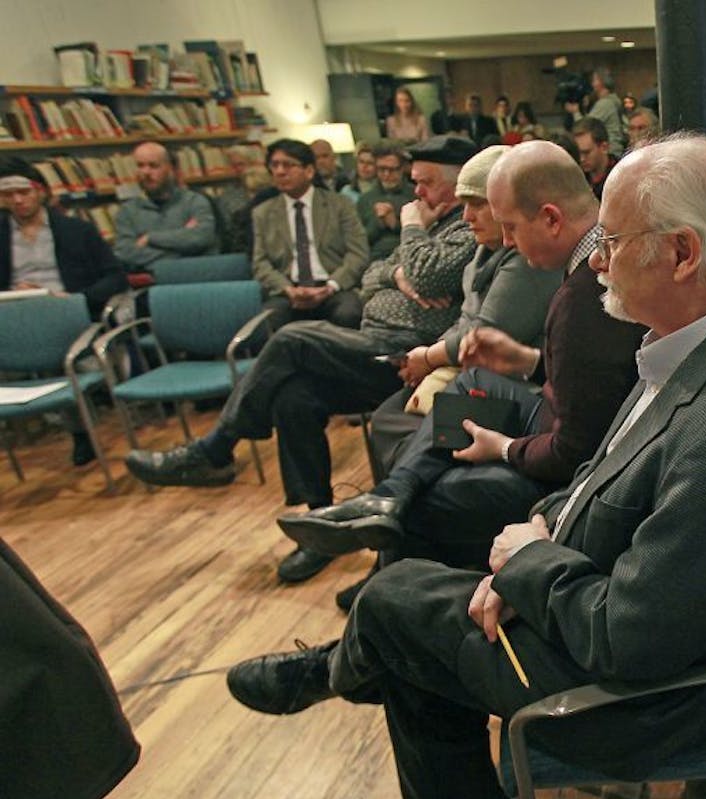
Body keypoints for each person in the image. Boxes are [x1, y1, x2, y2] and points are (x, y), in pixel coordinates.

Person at [221, 133, 706, 799]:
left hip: (650, 700)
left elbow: (631, 640)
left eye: (611, 239)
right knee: (408, 621)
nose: (598, 258)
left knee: (394, 607)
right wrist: (536, 540)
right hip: (619, 610)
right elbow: (602, 480)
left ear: (681, 253)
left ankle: (366, 705)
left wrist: (528, 565)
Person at [273, 140, 643, 575]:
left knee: (435, 495)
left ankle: (387, 585)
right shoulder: (596, 264)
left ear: (550, 218)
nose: (507, 241)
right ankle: (388, 499)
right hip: (561, 422)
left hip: (580, 472)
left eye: (511, 228)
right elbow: (600, 378)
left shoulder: (583, 297)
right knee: (471, 386)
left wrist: (504, 448)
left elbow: (574, 453)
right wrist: (526, 361)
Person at [124, 137, 479, 584]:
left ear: (457, 185)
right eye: (415, 185)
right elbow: (371, 275)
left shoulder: (467, 228)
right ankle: (319, 526)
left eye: (425, 184)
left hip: (413, 357)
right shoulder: (430, 228)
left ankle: (215, 448)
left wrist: (409, 231)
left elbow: (430, 274)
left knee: (293, 338)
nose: (416, 195)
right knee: (294, 396)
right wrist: (399, 273)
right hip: (373, 342)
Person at [360, 144, 563, 504]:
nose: (467, 217)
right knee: (386, 415)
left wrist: (428, 357)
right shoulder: (483, 251)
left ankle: (389, 506)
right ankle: (384, 511)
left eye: (478, 204)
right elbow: (375, 273)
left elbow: (482, 335)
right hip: (477, 373)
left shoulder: (529, 260)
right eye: (464, 203)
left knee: (408, 430)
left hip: (512, 388)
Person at [0, 157, 126, 465]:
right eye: (7, 194)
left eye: (24, 191)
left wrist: (73, 298)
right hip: (12, 318)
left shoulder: (76, 230)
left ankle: (80, 432)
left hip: (65, 314)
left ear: (40, 191)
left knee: (65, 360)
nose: (17, 200)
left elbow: (115, 277)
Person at [246, 139, 369, 330]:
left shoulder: (340, 205)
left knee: (349, 313)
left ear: (309, 171)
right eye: (274, 165)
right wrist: (288, 289)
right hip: (288, 290)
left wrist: (331, 286)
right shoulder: (263, 213)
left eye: (288, 165)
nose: (279, 172)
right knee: (268, 320)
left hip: (334, 286)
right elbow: (260, 263)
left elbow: (358, 253)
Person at [113, 141, 219, 270]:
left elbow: (201, 238)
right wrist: (182, 249)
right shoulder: (127, 211)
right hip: (151, 283)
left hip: (195, 277)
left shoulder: (194, 202)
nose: (146, 172)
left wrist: (150, 238)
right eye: (140, 166)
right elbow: (125, 253)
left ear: (170, 169)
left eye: (154, 166)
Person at [355, 141, 416, 262]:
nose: (386, 174)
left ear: (402, 168)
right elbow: (359, 242)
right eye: (382, 169)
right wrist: (379, 222)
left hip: (409, 259)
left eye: (392, 170)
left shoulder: (415, 195)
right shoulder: (365, 199)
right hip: (374, 261)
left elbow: (426, 234)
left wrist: (395, 224)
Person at [571, 117, 617, 198]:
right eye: (578, 153)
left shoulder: (620, 177)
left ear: (604, 147)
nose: (581, 159)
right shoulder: (575, 178)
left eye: (586, 152)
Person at [586, 68, 627, 156]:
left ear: (602, 82)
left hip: (610, 151)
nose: (593, 84)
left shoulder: (605, 104)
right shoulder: (614, 100)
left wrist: (576, 112)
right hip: (617, 148)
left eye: (595, 80)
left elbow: (587, 126)